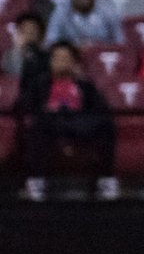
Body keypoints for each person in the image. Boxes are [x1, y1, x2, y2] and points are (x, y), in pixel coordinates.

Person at [19, 40, 118, 201]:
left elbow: (101, 107)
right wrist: (45, 109)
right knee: (38, 125)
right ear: (50, 62)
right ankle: (36, 180)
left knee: (106, 124)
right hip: (51, 122)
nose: (61, 62)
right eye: (57, 58)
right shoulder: (40, 82)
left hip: (79, 122)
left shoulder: (84, 84)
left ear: (74, 62)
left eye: (66, 58)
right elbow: (23, 104)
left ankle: (106, 179)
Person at [45, 0, 123, 46]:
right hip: (71, 53)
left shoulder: (107, 11)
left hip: (99, 52)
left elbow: (119, 40)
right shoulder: (61, 12)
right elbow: (51, 40)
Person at [2, 11, 48, 83]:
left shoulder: (47, 56)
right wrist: (17, 49)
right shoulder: (8, 55)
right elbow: (15, 73)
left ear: (41, 35)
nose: (28, 35)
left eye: (32, 31)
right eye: (24, 31)